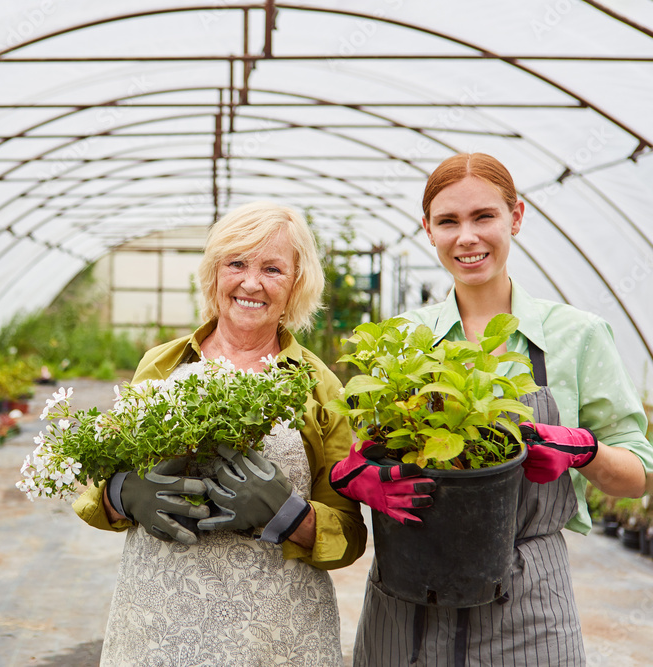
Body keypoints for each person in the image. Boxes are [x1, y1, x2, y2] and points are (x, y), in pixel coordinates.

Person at [333, 152, 653, 666]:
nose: (467, 237)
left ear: (516, 217)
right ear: (427, 230)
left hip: (529, 602)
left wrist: (586, 451)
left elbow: (637, 476)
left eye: (484, 216)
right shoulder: (403, 340)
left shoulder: (577, 336)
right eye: (448, 221)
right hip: (409, 599)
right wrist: (357, 475)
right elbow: (364, 450)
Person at [72, 201, 366, 666]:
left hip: (274, 636)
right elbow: (97, 491)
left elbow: (349, 533)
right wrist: (123, 493)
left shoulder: (319, 386)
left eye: (272, 269)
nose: (251, 283)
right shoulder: (164, 365)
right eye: (237, 263)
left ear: (297, 283)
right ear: (214, 273)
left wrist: (289, 514)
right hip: (157, 627)